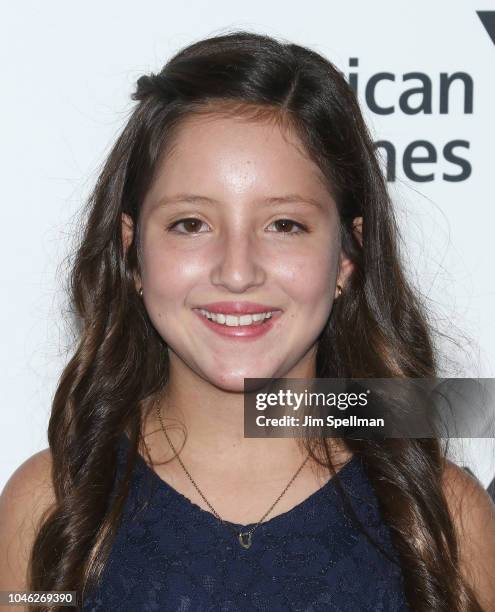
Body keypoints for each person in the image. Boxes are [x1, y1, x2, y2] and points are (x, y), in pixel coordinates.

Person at [1, 30, 494, 612]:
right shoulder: (50, 506)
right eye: (191, 223)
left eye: (284, 224)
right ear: (132, 251)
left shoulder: (443, 520)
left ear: (347, 256)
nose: (237, 272)